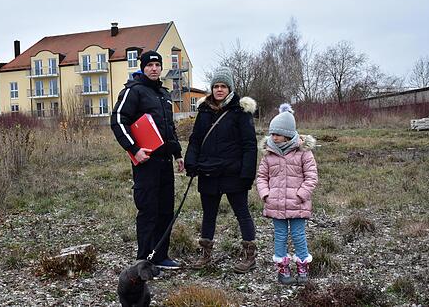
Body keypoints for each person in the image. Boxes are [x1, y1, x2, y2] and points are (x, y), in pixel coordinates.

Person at [110, 50, 185, 270]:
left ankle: (160, 257)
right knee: (148, 211)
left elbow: (169, 128)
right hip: (146, 164)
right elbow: (117, 121)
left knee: (165, 211)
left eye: (157, 65)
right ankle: (144, 260)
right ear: (143, 68)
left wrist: (178, 154)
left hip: (165, 164)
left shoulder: (164, 94)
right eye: (150, 65)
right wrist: (134, 149)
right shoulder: (134, 91)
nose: (154, 68)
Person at [184, 67, 258, 273]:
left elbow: (249, 144)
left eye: (223, 86)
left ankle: (249, 256)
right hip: (208, 172)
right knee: (208, 215)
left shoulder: (240, 111)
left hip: (233, 173)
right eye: (216, 86)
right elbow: (196, 139)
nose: (219, 89)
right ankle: (206, 255)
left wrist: (247, 174)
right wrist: (191, 162)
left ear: (230, 88)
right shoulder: (204, 110)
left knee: (242, 213)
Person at [256, 103, 318, 284]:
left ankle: (302, 268)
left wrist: (301, 195)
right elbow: (261, 177)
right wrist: (266, 195)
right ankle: (283, 270)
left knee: (298, 235)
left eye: (276, 134)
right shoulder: (268, 154)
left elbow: (312, 177)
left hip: (297, 204)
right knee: (280, 236)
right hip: (275, 204)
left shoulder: (303, 153)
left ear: (288, 134)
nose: (272, 137)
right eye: (271, 134)